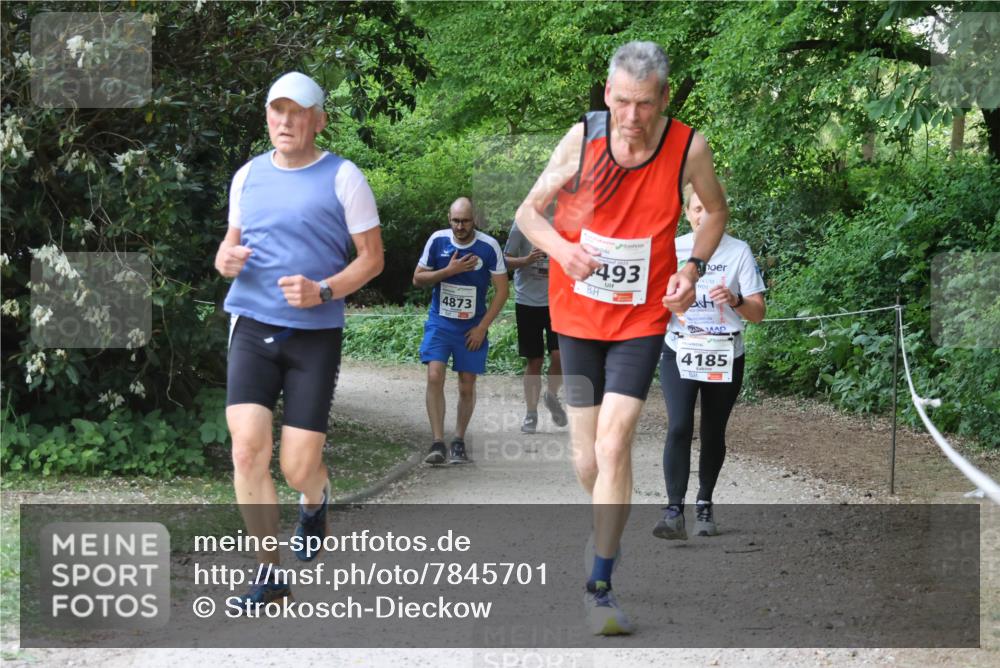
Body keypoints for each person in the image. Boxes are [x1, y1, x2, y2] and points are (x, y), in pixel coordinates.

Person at [514, 41, 728, 635]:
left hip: (641, 318)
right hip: (577, 315)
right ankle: (607, 517)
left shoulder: (688, 146)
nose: (632, 118)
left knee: (612, 448)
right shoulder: (581, 139)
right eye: (622, 102)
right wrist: (563, 249)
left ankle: (600, 585)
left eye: (645, 104)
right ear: (608, 95)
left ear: (664, 97)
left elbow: (713, 212)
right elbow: (529, 213)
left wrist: (690, 270)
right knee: (588, 459)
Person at [215, 71, 384, 607]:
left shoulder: (344, 177)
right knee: (246, 452)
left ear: (318, 120)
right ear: (267, 116)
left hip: (314, 334)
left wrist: (325, 290)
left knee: (296, 467)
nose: (285, 121)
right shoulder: (246, 177)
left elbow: (373, 260)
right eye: (276, 111)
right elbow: (229, 249)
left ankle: (315, 499)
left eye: (297, 112)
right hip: (252, 324)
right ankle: (269, 573)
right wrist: (224, 261)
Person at [653, 185, 766, 540]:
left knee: (713, 431)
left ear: (721, 211)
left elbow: (758, 313)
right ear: (686, 213)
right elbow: (653, 302)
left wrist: (733, 300)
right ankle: (673, 510)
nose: (702, 215)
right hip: (680, 349)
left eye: (708, 208)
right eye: (695, 209)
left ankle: (704, 503)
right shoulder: (673, 250)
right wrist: (670, 304)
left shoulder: (739, 252)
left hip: (724, 352)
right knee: (679, 426)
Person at [413, 198, 509, 465]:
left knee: (467, 385)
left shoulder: (488, 246)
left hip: (471, 327)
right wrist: (448, 271)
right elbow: (417, 278)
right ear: (449, 218)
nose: (459, 226)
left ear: (474, 219)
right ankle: (436, 442)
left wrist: (482, 327)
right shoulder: (438, 241)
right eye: (455, 220)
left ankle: (458, 440)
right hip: (441, 323)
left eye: (465, 221)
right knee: (434, 375)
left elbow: (502, 292)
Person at [504, 219, 567, 433]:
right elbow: (505, 261)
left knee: (560, 356)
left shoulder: (564, 223)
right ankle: (531, 414)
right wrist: (527, 260)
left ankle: (551, 395)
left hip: (556, 301)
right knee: (535, 360)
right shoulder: (522, 225)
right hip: (527, 301)